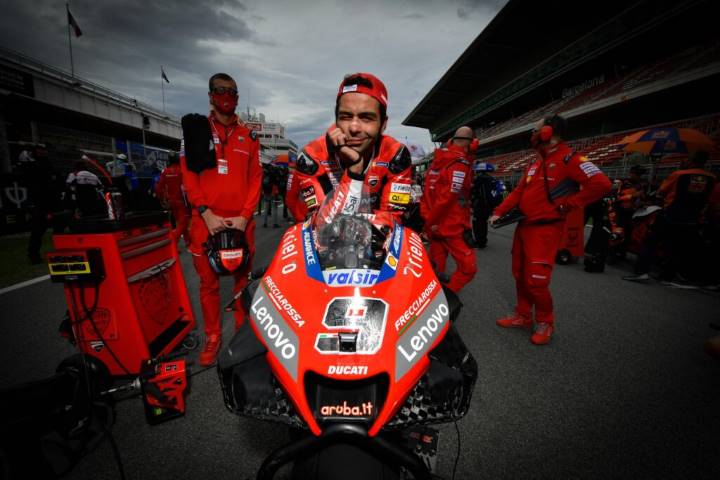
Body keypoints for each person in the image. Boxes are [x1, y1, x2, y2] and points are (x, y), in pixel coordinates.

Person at [489, 114, 611, 345]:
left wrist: (568, 204)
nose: (533, 134)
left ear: (548, 132)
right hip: (524, 226)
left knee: (537, 280)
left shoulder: (570, 158)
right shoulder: (536, 162)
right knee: (520, 275)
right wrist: (498, 211)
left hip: (545, 230)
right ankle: (523, 316)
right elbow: (518, 193)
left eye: (536, 129)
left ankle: (545, 322)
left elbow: (602, 184)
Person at [180, 72, 263, 366]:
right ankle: (213, 336)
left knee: (244, 279)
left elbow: (256, 178)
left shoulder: (249, 135)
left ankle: (243, 332)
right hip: (205, 221)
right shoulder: (195, 129)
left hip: (242, 222)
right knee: (208, 284)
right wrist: (205, 212)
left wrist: (244, 216)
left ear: (237, 97)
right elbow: (188, 176)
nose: (227, 96)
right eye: (221, 90)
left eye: (232, 91)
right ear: (211, 95)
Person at [289, 72, 413, 222]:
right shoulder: (311, 158)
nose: (354, 128)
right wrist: (354, 171)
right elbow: (322, 225)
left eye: (366, 118)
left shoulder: (396, 156)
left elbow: (392, 221)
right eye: (346, 117)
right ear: (336, 120)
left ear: (383, 124)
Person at [623, 150, 717, 287]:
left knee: (650, 242)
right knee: (677, 248)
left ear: (692, 161)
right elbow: (712, 201)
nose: (683, 161)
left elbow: (661, 192)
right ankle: (666, 277)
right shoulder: (712, 179)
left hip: (671, 214)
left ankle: (641, 272)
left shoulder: (679, 174)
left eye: (687, 159)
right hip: (691, 219)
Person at [420, 127, 478, 293]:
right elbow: (447, 198)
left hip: (435, 226)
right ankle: (446, 299)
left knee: (435, 270)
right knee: (469, 268)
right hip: (452, 226)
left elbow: (426, 196)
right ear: (471, 143)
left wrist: (428, 222)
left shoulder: (437, 162)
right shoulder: (459, 164)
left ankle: (430, 300)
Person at [155, 151, 190, 246]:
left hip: (172, 202)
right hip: (182, 202)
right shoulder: (182, 170)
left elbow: (158, 188)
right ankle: (171, 243)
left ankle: (188, 242)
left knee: (182, 223)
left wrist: (162, 200)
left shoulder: (165, 171)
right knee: (183, 224)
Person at [471, 161, 503, 248]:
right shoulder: (491, 178)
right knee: (483, 223)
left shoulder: (480, 179)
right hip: (488, 205)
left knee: (477, 224)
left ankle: (480, 242)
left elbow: (473, 191)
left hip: (480, 205)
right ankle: (483, 240)